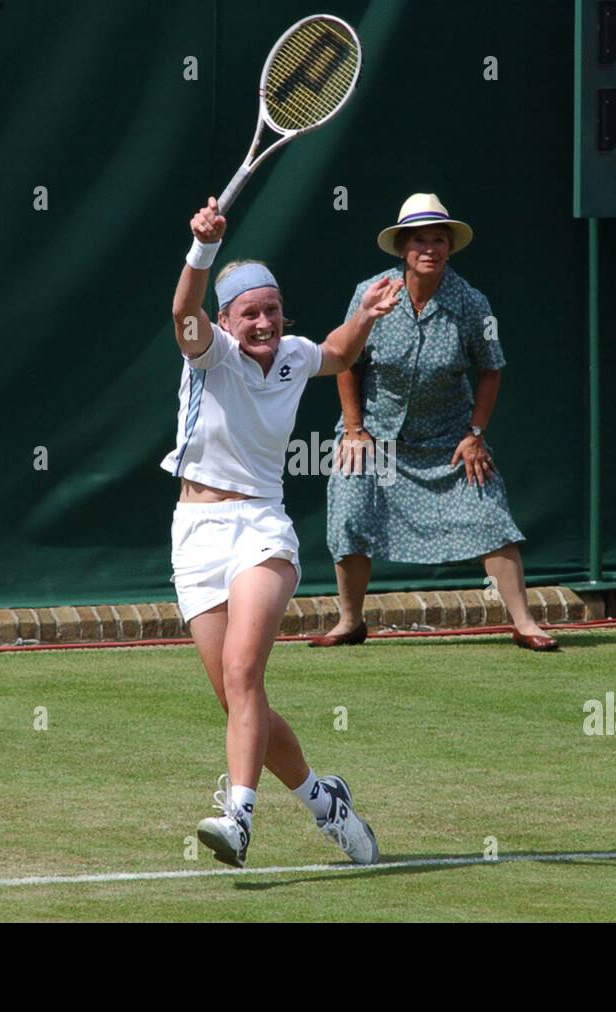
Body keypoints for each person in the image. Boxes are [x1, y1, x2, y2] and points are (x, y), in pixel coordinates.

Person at [164, 197, 403, 867]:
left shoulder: (295, 354)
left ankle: (236, 817)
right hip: (195, 534)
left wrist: (363, 319)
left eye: (272, 309)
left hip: (262, 529)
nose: (264, 321)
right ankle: (326, 804)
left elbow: (335, 352)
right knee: (239, 701)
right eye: (250, 312)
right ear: (229, 320)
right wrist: (201, 250)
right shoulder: (209, 355)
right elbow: (185, 315)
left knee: (245, 673)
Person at [312, 193, 558, 652]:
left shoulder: (473, 302)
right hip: (374, 435)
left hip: (450, 440)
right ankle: (350, 622)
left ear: (450, 247)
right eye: (420, 240)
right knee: (348, 510)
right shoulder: (373, 293)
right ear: (403, 248)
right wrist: (353, 430)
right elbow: (346, 360)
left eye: (439, 240)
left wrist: (475, 435)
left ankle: (525, 622)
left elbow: (491, 368)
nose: (430, 248)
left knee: (491, 515)